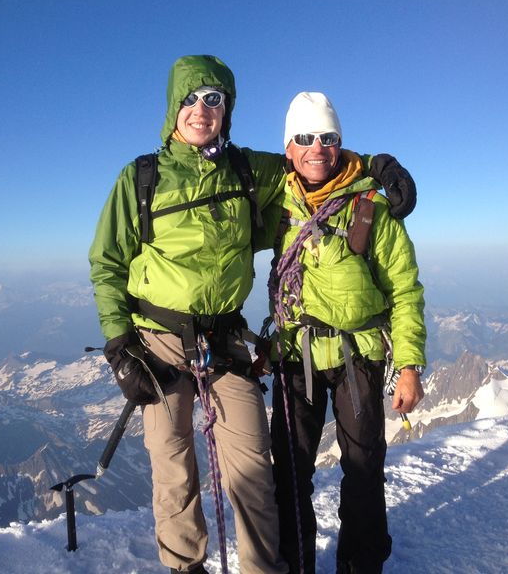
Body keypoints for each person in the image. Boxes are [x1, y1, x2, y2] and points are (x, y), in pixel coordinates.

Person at [89, 56, 417, 573]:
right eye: (191, 99)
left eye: (214, 99)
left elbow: (316, 163)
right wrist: (119, 344)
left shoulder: (248, 169)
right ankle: (185, 567)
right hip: (157, 340)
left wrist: (378, 165)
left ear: (227, 110)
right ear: (174, 107)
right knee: (174, 467)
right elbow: (107, 262)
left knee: (256, 473)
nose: (202, 109)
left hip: (226, 340)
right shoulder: (141, 179)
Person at [267, 92, 426, 574]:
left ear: (341, 143)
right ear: (288, 148)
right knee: (290, 472)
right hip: (296, 353)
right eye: (304, 138)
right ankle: (296, 564)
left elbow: (404, 289)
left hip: (358, 355)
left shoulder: (371, 204)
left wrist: (409, 365)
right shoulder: (275, 202)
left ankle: (360, 565)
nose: (317, 148)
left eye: (328, 137)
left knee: (363, 470)